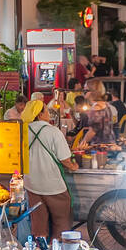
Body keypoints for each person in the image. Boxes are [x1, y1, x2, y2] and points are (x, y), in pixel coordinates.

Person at [24, 98, 77, 239]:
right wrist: (74, 166)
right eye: (46, 111)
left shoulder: (22, 131)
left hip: (31, 184)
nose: (48, 113)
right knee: (61, 221)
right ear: (40, 114)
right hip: (53, 186)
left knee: (38, 224)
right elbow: (65, 159)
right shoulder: (54, 132)